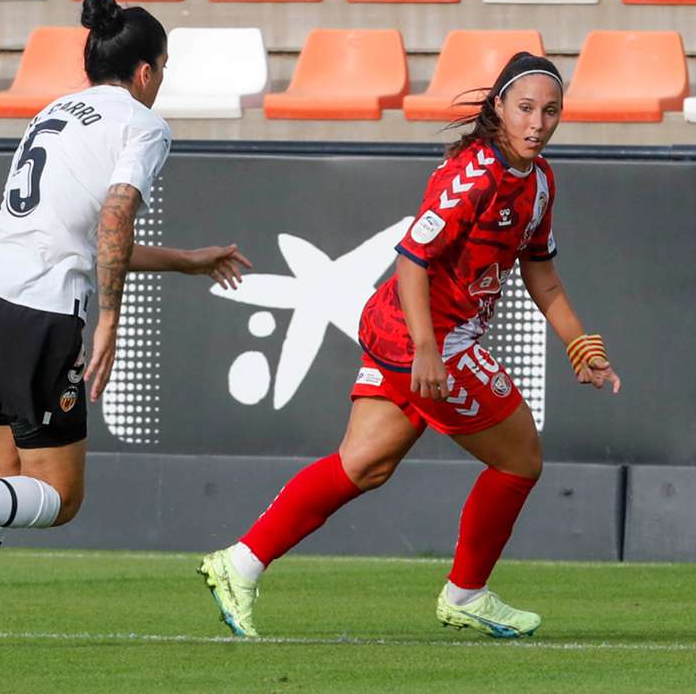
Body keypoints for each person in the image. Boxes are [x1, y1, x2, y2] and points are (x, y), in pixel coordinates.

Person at [199, 52, 620, 639]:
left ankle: (238, 563)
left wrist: (582, 347)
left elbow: (541, 275)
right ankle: (467, 593)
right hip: (427, 337)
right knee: (520, 459)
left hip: (407, 331)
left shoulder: (540, 182)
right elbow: (411, 261)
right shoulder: (473, 177)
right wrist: (427, 348)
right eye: (525, 108)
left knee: (363, 465)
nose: (537, 123)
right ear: (498, 107)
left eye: (550, 111)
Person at [0, 0, 252, 647]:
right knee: (61, 500)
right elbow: (113, 218)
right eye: (162, 69)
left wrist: (186, 261)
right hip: (39, 315)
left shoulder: (55, 110)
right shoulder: (142, 123)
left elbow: (84, 236)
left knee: (14, 480)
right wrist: (110, 318)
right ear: (145, 71)